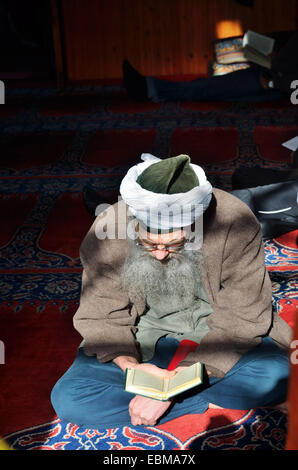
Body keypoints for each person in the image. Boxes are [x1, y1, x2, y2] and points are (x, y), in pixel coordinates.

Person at [51, 154, 292, 428]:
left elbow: (243, 317)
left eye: (174, 244)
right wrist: (132, 368)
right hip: (141, 338)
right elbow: (101, 314)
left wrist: (174, 386)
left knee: (276, 375)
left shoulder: (234, 220)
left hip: (216, 337)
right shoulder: (109, 228)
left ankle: (173, 400)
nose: (161, 255)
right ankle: (211, 400)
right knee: (71, 400)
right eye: (149, 245)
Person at [122, 32, 298, 103]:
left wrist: (274, 83)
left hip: (276, 85)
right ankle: (152, 89)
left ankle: (150, 88)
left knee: (210, 88)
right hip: (271, 73)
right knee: (210, 87)